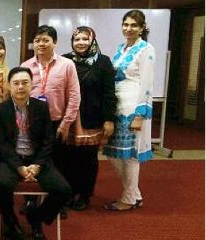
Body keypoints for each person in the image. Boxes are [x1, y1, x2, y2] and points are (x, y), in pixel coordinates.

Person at [0, 67, 71, 240]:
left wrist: (37, 165)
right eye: (16, 83)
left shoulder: (41, 107)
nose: (20, 87)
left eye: (25, 82)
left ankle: (36, 216)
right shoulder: (0, 110)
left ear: (31, 85)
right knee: (0, 185)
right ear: (9, 86)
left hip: (37, 159)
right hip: (11, 160)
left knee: (63, 190)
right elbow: (2, 144)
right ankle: (11, 223)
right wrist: (19, 167)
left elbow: (48, 140)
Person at [20, 25, 80, 218]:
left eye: (45, 40)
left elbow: (74, 95)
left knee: (58, 163)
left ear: (54, 42)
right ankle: (30, 200)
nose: (41, 44)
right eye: (37, 40)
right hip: (31, 123)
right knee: (31, 160)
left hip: (57, 122)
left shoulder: (67, 65)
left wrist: (66, 123)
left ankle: (57, 203)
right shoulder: (26, 66)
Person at [103, 9, 155, 211]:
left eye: (134, 25)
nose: (129, 28)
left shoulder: (146, 49)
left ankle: (128, 199)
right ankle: (135, 194)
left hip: (133, 107)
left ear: (142, 28)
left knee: (130, 155)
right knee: (114, 153)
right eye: (126, 24)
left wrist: (140, 114)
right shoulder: (122, 48)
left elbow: (147, 83)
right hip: (117, 106)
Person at [62, 26, 117, 211]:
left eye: (85, 39)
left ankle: (84, 195)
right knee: (68, 158)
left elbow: (109, 94)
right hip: (69, 117)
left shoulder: (103, 62)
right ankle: (69, 192)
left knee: (88, 160)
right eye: (77, 39)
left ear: (92, 40)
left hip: (92, 118)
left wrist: (109, 119)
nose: (80, 43)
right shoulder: (65, 60)